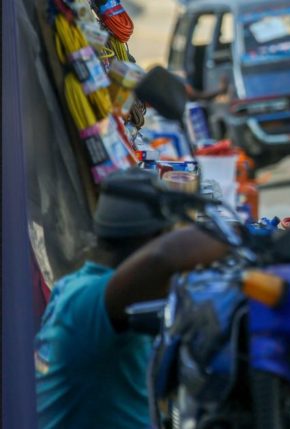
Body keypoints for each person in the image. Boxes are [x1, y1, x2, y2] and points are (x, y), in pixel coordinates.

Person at [35, 168, 229, 429]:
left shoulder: (72, 287)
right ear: (152, 239)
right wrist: (241, 238)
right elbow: (163, 257)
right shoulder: (89, 301)